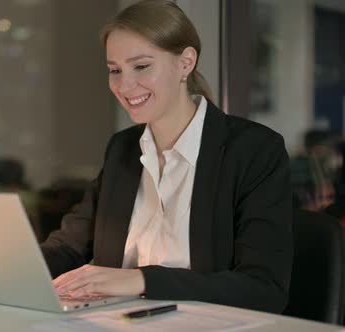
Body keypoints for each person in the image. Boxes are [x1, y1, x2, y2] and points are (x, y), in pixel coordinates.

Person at [40, 0, 292, 314]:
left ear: (186, 62)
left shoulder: (253, 150)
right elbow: (68, 245)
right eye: (114, 70)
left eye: (141, 66)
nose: (124, 84)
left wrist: (140, 280)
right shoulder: (123, 149)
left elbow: (264, 289)